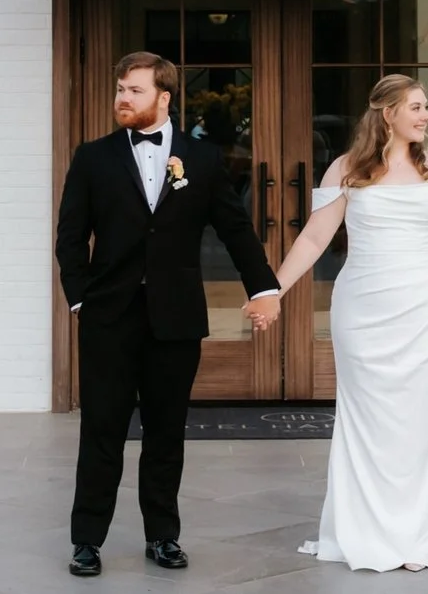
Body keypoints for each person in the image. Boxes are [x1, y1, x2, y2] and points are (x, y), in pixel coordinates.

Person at [260, 74, 428, 573]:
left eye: (425, 106)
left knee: (425, 423)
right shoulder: (347, 169)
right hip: (364, 313)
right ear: (387, 113)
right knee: (367, 421)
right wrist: (272, 292)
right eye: (415, 106)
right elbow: (314, 239)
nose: (425, 115)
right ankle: (366, 531)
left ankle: (417, 537)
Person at [56, 52, 280, 578]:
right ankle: (86, 540)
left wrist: (263, 287)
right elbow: (70, 236)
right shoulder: (92, 158)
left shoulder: (202, 159)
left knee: (166, 432)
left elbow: (234, 228)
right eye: (120, 88)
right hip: (108, 317)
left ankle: (162, 535)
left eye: (134, 90)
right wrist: (81, 298)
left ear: (164, 97)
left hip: (175, 318)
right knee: (102, 430)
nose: (122, 98)